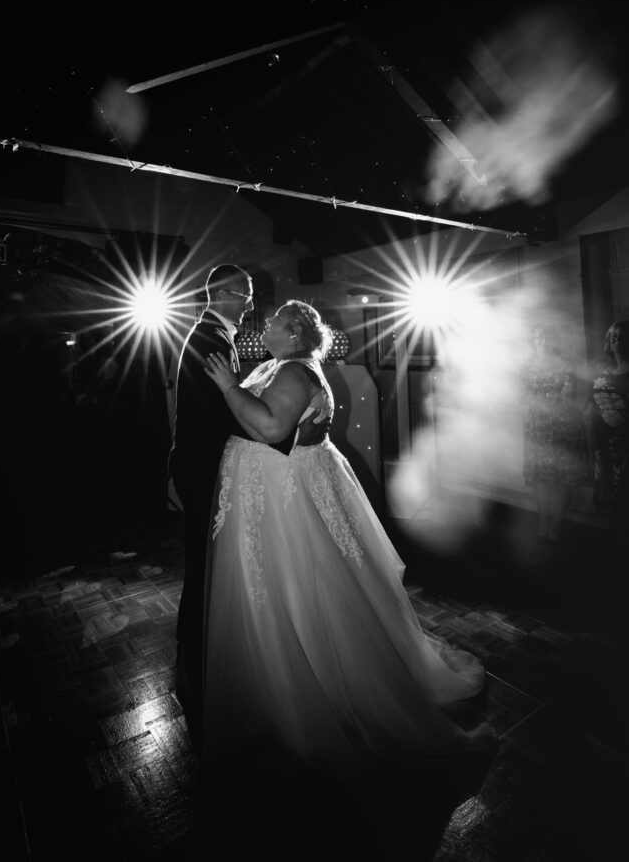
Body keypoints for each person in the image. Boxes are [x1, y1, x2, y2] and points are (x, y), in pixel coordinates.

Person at [202, 299, 495, 853]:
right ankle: (283, 688)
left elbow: (268, 426)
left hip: (282, 508)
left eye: (271, 322)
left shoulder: (296, 370)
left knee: (297, 597)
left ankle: (305, 702)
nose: (261, 326)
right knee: (287, 598)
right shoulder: (280, 364)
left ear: (293, 332)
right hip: (271, 501)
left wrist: (225, 386)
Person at [168, 263, 254, 751]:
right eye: (243, 293)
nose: (249, 300)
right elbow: (219, 412)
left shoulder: (210, 334)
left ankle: (194, 637)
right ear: (222, 293)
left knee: (205, 551)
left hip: (198, 463)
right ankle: (196, 645)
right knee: (204, 554)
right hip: (203, 467)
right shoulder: (209, 338)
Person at [519, 323, 589, 543]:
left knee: (561, 477)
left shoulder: (566, 365)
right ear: (533, 341)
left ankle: (556, 524)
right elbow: (523, 396)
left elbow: (568, 395)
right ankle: (543, 521)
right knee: (540, 475)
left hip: (562, 428)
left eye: (547, 338)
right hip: (537, 428)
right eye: (539, 338)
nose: (543, 342)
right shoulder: (527, 366)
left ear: (554, 341)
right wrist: (540, 401)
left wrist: (541, 401)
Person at [589, 320, 629, 535]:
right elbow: (591, 401)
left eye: (621, 337)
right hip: (603, 439)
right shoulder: (600, 368)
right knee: (606, 491)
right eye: (613, 337)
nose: (616, 341)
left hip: (624, 441)